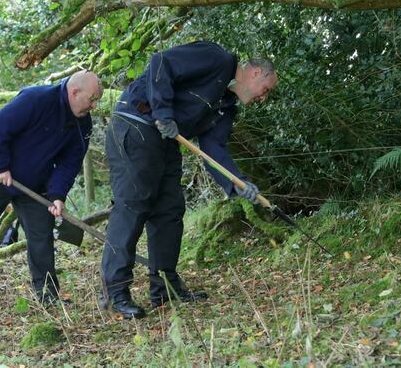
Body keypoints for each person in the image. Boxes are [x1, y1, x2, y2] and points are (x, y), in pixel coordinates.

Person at [100, 41, 278, 319]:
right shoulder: (217, 57)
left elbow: (214, 149)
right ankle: (116, 292)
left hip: (167, 141)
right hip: (136, 123)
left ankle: (165, 288)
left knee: (170, 210)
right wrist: (163, 113)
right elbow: (161, 61)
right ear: (255, 73)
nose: (263, 98)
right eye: (266, 90)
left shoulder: (226, 106)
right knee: (133, 206)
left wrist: (238, 183)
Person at [0, 71, 102, 317]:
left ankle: (47, 294)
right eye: (92, 99)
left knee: (41, 234)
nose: (94, 106)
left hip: (34, 184)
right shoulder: (35, 99)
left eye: (96, 100)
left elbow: (70, 163)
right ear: (74, 92)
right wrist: (0, 166)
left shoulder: (82, 123)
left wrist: (58, 194)